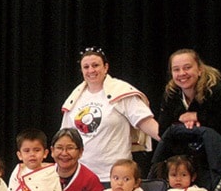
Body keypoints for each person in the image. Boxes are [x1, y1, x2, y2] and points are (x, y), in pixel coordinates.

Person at [61, 47, 160, 183]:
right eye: (86, 67)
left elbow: (146, 123)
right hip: (80, 177)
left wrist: (171, 140)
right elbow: (65, 139)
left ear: (106, 67)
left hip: (116, 179)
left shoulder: (121, 92)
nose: (91, 70)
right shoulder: (75, 98)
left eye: (95, 65)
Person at [158, 49, 221, 139]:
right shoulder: (171, 94)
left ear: (200, 70)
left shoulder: (216, 91)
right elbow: (162, 131)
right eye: (176, 69)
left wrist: (198, 117)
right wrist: (183, 124)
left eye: (187, 67)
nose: (182, 73)